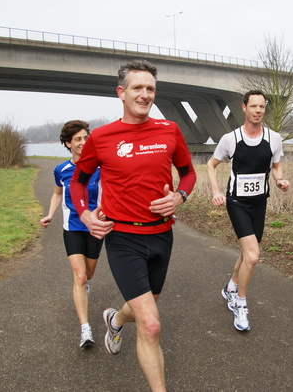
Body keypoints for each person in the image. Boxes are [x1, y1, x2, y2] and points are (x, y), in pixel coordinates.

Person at [69, 59, 196, 392]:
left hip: (161, 235)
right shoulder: (102, 137)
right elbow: (78, 182)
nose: (145, 94)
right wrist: (85, 215)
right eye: (138, 88)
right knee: (151, 324)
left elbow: (189, 173)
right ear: (121, 93)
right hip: (122, 236)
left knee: (147, 302)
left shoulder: (169, 130)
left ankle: (115, 319)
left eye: (151, 88)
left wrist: (180, 197)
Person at [207, 89, 290, 331]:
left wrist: (280, 180)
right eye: (253, 106)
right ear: (244, 108)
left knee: (247, 253)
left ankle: (230, 287)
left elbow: (276, 166)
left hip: (259, 203)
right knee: (253, 255)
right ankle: (239, 303)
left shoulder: (273, 138)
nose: (258, 111)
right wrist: (215, 191)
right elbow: (211, 166)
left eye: (262, 107)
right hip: (237, 203)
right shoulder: (230, 139)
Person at [39, 120, 103, 349]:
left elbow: (107, 193)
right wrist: (50, 214)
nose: (83, 143)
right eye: (77, 139)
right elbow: (57, 194)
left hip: (95, 227)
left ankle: (83, 286)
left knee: (89, 273)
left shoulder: (99, 168)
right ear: (68, 144)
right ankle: (85, 328)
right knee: (80, 276)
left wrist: (104, 212)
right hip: (73, 228)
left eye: (86, 138)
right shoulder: (61, 170)